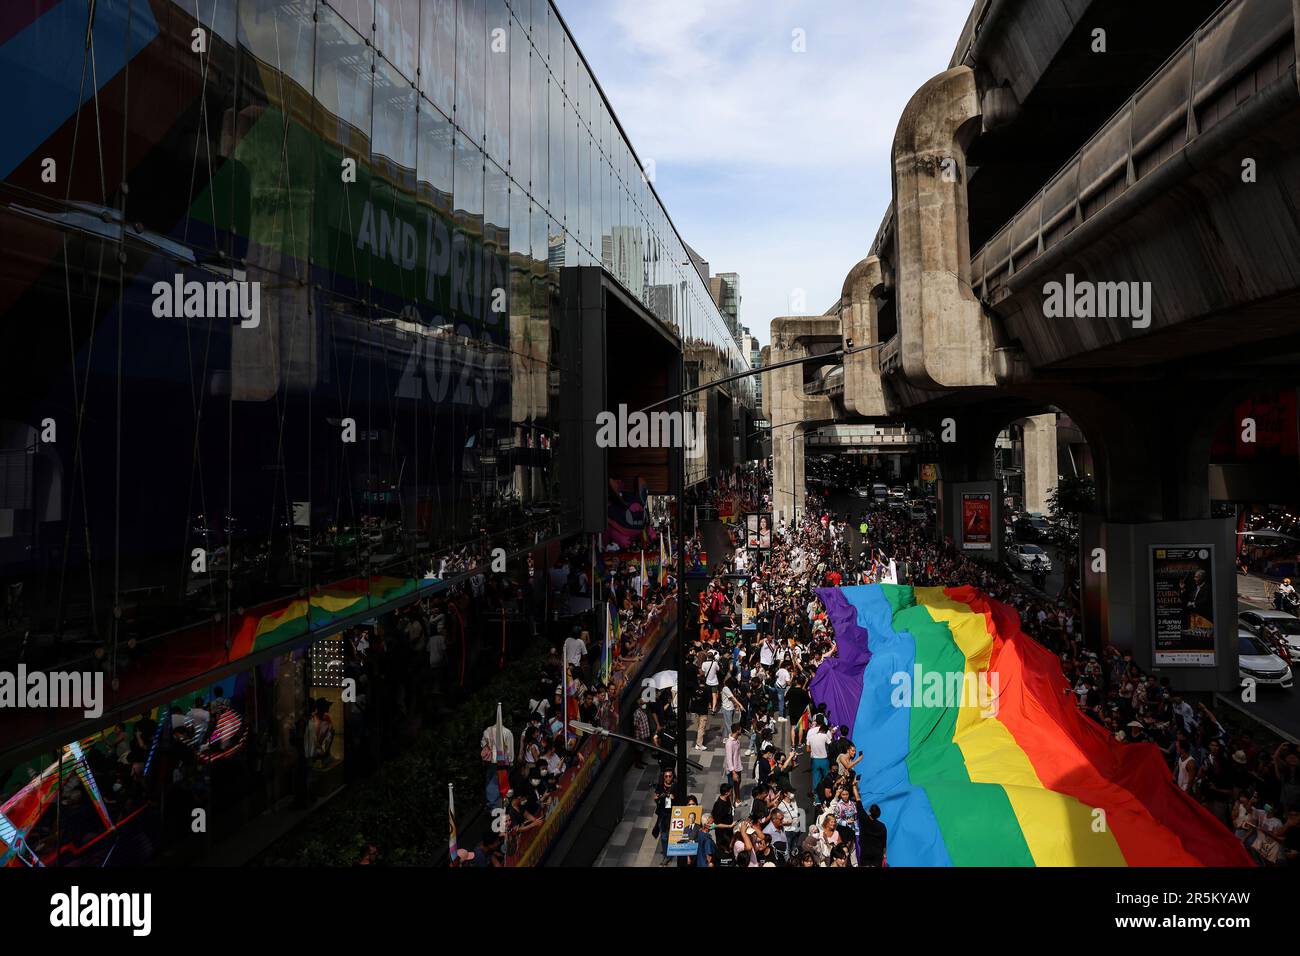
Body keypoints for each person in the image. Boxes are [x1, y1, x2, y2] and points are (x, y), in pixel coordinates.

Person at [652, 769, 676, 866]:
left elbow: (679, 799)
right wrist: (656, 799)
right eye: (666, 776)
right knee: (664, 836)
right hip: (663, 814)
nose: (668, 778)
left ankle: (669, 852)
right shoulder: (660, 786)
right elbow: (657, 799)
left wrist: (674, 798)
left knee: (673, 835)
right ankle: (667, 855)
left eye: (670, 776)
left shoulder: (675, 786)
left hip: (673, 814)